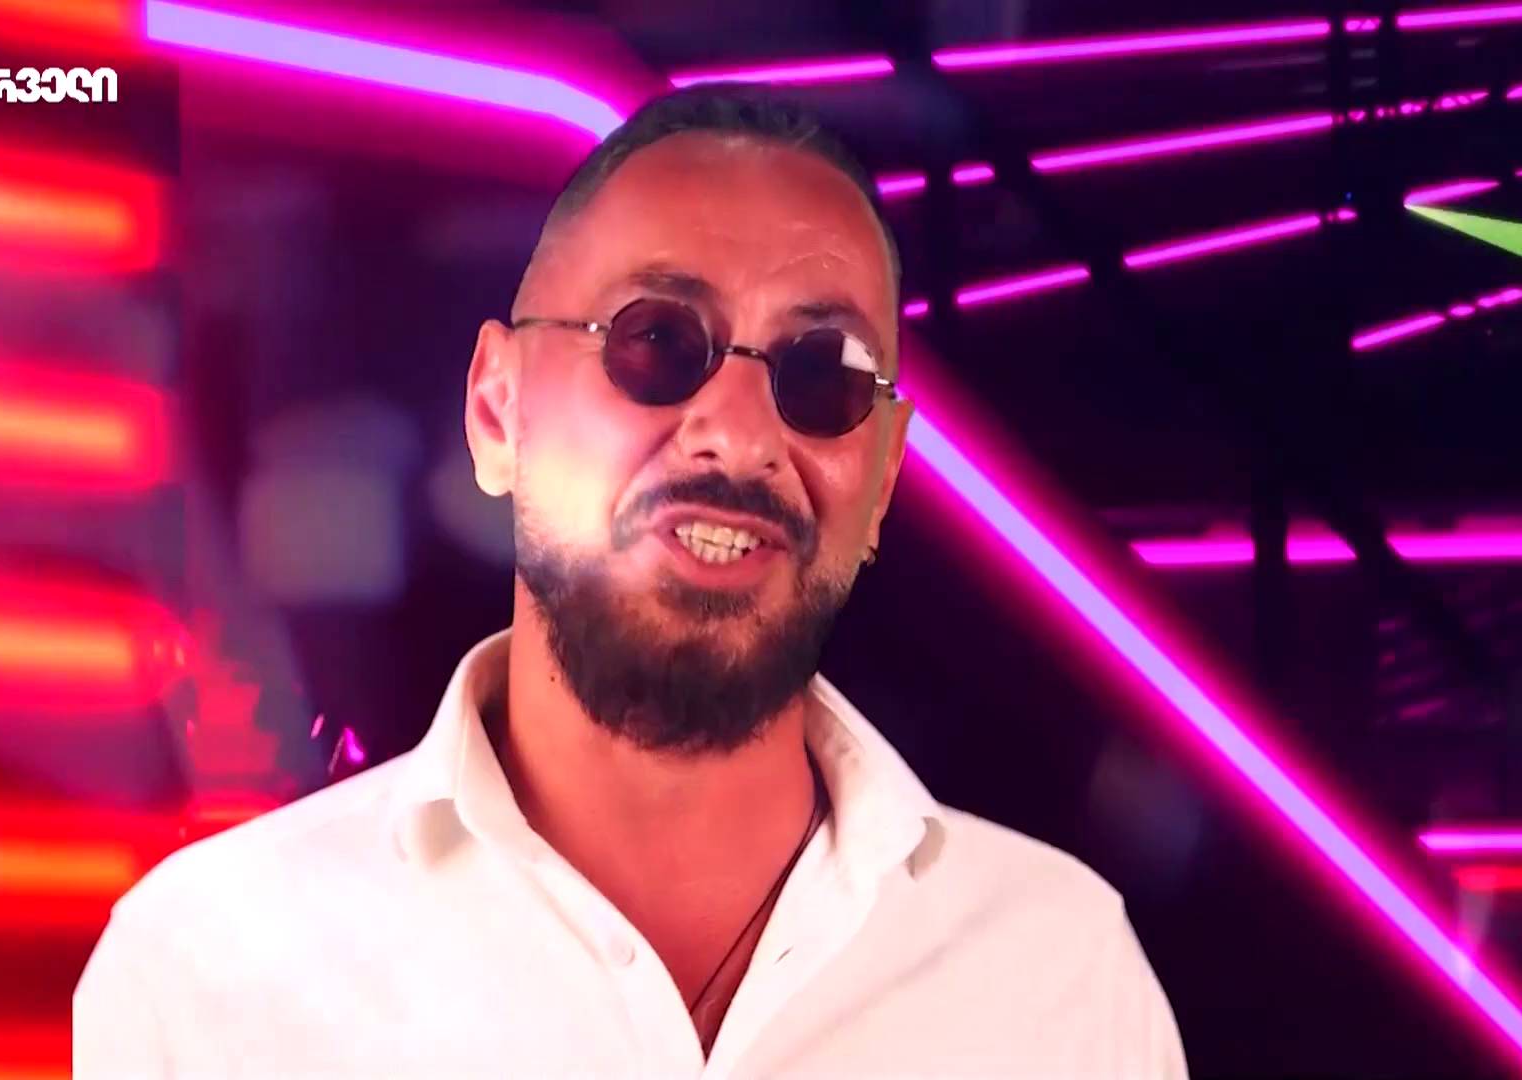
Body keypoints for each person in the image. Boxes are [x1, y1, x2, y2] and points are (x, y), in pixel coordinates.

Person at [74, 87, 1187, 1078]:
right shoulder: (205, 967)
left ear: (884, 477)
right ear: (497, 411)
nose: (740, 434)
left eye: (824, 374)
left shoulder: (1061, 976)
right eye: (656, 341)